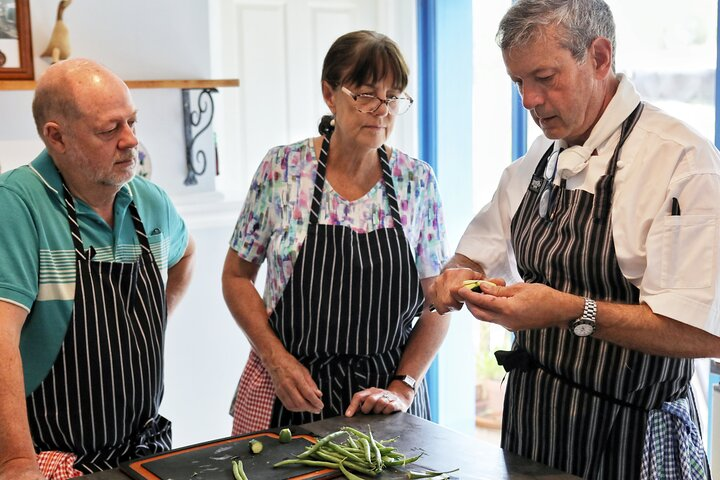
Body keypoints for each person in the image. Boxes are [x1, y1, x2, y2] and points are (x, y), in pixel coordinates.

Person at [428, 0, 720, 479]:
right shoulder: (539, 158)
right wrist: (459, 276)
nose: (528, 100)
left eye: (544, 77)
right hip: (534, 428)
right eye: (518, 82)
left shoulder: (680, 161)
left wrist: (569, 310)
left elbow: (704, 332)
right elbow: (474, 255)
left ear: (600, 58)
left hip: (632, 440)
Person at [222, 30, 449, 433]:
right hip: (292, 393)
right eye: (365, 94)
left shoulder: (417, 181)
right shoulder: (283, 169)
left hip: (386, 401)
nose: (381, 110)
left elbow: (438, 304)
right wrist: (276, 360)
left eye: (393, 96)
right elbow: (236, 277)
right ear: (330, 94)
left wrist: (404, 385)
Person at [0, 58, 196, 479]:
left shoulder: (150, 200)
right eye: (110, 129)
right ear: (57, 137)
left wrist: (156, 320)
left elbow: (186, 255)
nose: (131, 141)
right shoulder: (16, 205)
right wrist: (15, 461)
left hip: (145, 451)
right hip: (52, 459)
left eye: (132, 122)